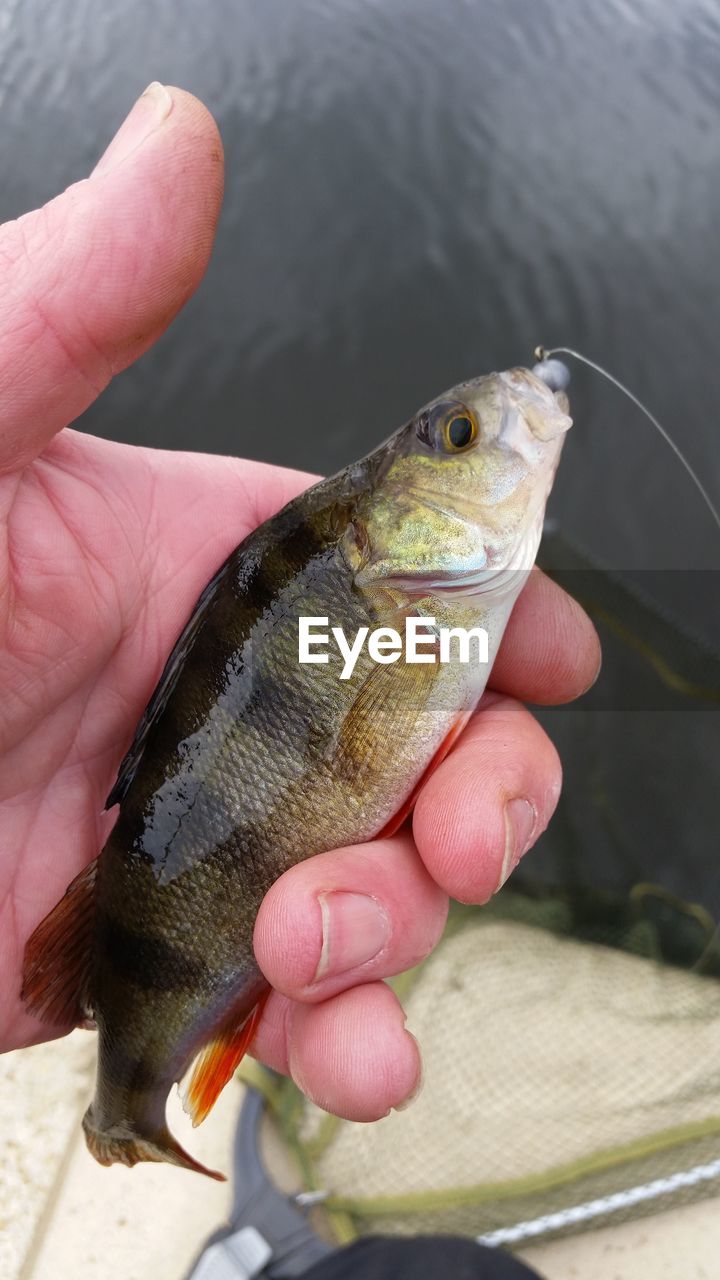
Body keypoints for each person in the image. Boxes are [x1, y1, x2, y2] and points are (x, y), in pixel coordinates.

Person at [0, 84, 600, 1122]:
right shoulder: (393, 594)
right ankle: (133, 1104)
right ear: (396, 525)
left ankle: (134, 1098)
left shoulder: (415, 597)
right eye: (458, 439)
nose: (497, 425)